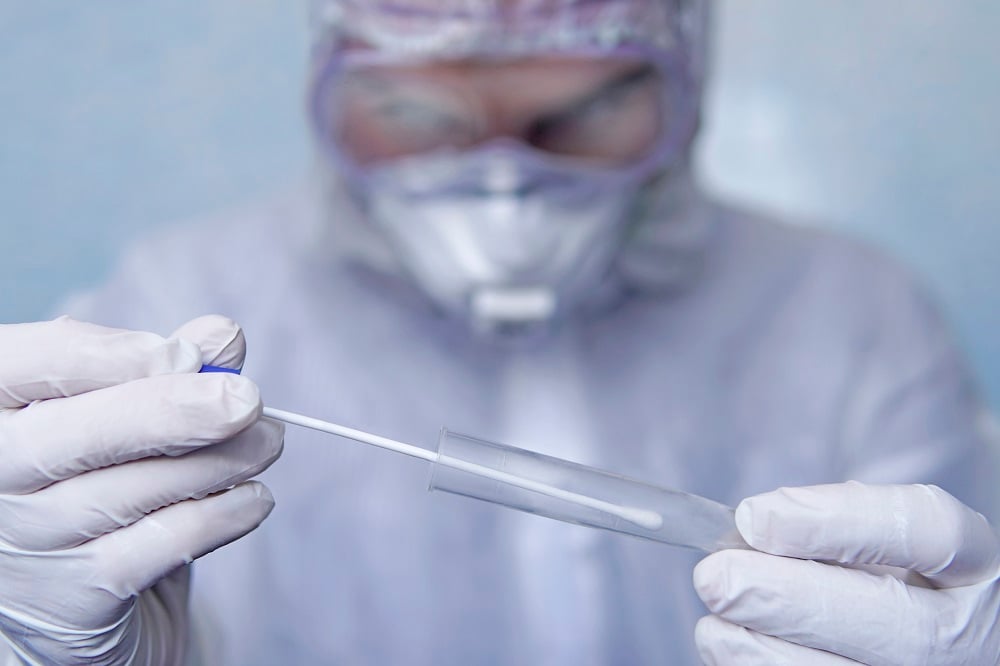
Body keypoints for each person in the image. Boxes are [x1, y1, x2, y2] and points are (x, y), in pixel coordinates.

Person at [1, 1, 998, 663]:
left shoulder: (850, 310)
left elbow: (938, 582)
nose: (501, 180)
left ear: (684, 89)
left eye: (574, 116)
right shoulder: (180, 291)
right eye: (416, 113)